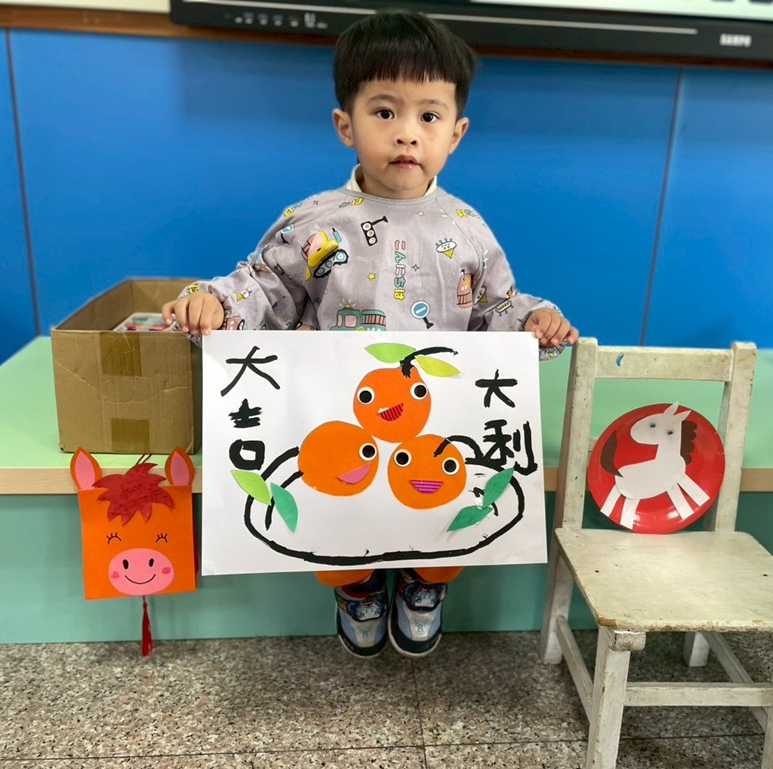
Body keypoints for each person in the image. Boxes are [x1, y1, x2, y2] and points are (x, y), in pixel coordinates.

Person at [163, 10, 578, 659]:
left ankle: (424, 582)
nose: (407, 133)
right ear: (345, 125)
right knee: (333, 517)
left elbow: (493, 307)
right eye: (385, 112)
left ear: (456, 133)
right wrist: (214, 302)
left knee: (444, 514)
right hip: (336, 420)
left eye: (429, 116)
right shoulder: (316, 222)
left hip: (436, 417)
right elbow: (265, 287)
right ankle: (355, 587)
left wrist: (531, 320)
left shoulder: (467, 229)